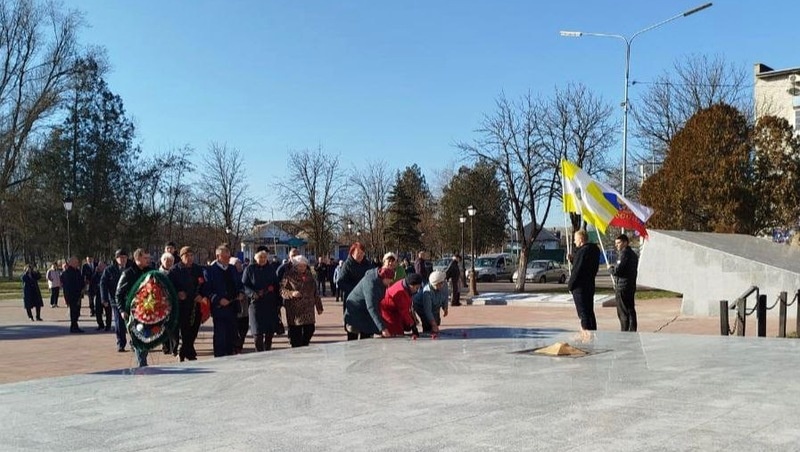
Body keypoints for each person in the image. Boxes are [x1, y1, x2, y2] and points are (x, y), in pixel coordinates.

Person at [203, 245, 245, 357]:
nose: (227, 258)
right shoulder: (210, 270)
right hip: (219, 309)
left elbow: (239, 284)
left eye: (228, 255)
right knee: (220, 337)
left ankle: (231, 355)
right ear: (218, 256)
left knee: (232, 336)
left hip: (233, 307)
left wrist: (241, 292)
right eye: (224, 255)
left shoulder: (232, 268)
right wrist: (218, 300)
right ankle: (219, 357)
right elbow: (207, 290)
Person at [116, 249, 153, 367]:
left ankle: (142, 360)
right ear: (138, 259)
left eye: (148, 258)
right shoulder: (128, 273)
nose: (148, 260)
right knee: (140, 335)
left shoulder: (150, 272)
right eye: (145, 258)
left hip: (149, 310)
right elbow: (118, 294)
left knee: (148, 337)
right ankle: (142, 364)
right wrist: (122, 310)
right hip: (133, 312)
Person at [168, 246, 205, 361]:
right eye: (186, 256)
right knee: (185, 330)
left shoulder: (198, 269)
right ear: (181, 257)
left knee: (194, 330)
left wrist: (201, 295)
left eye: (191, 256)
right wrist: (177, 293)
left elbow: (204, 284)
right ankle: (187, 353)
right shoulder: (175, 270)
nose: (189, 258)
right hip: (182, 306)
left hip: (195, 304)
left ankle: (185, 351)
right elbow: (168, 287)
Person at [242, 246, 281, 351]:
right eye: (260, 257)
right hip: (256, 305)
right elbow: (244, 286)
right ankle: (259, 353)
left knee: (269, 334)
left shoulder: (271, 269)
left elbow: (276, 285)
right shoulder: (249, 269)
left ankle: (268, 351)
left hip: (270, 305)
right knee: (257, 334)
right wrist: (252, 293)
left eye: (264, 257)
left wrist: (279, 302)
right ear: (256, 258)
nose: (263, 259)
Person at [280, 255, 323, 347]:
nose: (302, 267)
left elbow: (315, 292)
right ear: (295, 266)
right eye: (300, 265)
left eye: (304, 265)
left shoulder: (309, 275)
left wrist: (319, 307)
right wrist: (291, 293)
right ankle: (297, 349)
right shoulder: (288, 275)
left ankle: (304, 345)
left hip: (308, 309)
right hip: (295, 310)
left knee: (310, 329)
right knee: (296, 334)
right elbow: (282, 290)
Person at [343, 266, 395, 340]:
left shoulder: (381, 283)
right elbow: (372, 307)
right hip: (355, 311)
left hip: (365, 312)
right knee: (354, 341)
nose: (391, 282)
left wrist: (382, 326)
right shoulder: (370, 283)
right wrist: (382, 328)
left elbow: (377, 303)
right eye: (390, 280)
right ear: (385, 278)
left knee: (368, 335)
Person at [336, 242, 373, 340]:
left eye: (362, 253)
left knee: (366, 332)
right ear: (352, 253)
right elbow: (340, 282)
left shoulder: (368, 264)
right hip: (353, 301)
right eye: (358, 253)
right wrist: (355, 291)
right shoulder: (347, 264)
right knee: (352, 332)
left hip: (365, 302)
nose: (360, 256)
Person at [567, 230, 601, 332]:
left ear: (581, 239)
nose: (574, 241)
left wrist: (570, 285)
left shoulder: (582, 251)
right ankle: (593, 332)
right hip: (589, 285)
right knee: (589, 312)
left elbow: (578, 270)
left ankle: (586, 335)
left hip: (579, 286)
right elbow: (586, 266)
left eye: (575, 239)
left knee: (583, 313)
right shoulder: (594, 250)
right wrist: (573, 259)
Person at [101, 249, 129, 352]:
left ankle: (134, 342)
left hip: (130, 299)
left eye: (124, 257)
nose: (122, 259)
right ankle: (121, 343)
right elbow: (103, 284)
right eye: (120, 257)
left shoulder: (131, 269)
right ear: (116, 259)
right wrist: (104, 298)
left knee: (132, 322)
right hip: (115, 300)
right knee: (119, 322)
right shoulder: (109, 270)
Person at [610, 234, 639, 332]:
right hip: (629, 285)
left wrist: (611, 270)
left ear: (625, 243)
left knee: (623, 312)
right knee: (630, 309)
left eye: (619, 243)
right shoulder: (632, 254)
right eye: (616, 243)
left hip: (623, 286)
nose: (617, 245)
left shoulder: (625, 254)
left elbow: (619, 270)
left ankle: (626, 331)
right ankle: (631, 330)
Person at [230, 256, 249, 353]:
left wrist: (243, 292)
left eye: (239, 262)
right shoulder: (231, 275)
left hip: (245, 304)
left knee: (244, 327)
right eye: (236, 263)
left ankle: (240, 344)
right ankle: (235, 345)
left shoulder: (245, 273)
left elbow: (247, 284)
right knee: (235, 327)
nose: (239, 265)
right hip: (234, 304)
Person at [62, 257, 84, 333]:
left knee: (77, 311)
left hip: (78, 295)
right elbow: (67, 286)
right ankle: (73, 326)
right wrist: (67, 298)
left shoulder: (77, 271)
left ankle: (75, 325)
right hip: (72, 295)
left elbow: (81, 281)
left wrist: (82, 287)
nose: (77, 263)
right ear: (71, 263)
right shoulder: (67, 273)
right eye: (76, 262)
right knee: (73, 311)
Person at [90, 262, 109, 331]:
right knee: (98, 311)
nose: (100, 267)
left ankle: (108, 325)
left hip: (107, 295)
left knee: (108, 311)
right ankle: (100, 324)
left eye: (101, 266)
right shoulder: (96, 275)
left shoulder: (108, 274)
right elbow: (92, 283)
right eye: (99, 266)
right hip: (98, 295)